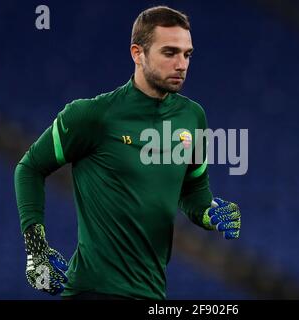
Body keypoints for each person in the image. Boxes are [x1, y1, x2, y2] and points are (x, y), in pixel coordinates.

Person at [14, 5, 241, 300]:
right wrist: (37, 252)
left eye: (187, 54)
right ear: (138, 53)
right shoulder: (91, 115)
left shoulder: (192, 116)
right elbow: (29, 168)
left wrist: (211, 214)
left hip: (153, 294)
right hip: (93, 291)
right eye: (170, 52)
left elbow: (193, 191)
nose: (182, 64)